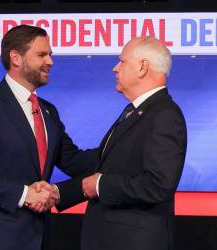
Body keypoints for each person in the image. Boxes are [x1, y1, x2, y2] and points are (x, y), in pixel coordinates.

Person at [0, 25, 97, 250]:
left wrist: (118, 147)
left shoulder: (48, 111)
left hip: (39, 236)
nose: (50, 61)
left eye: (50, 54)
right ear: (16, 58)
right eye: (42, 55)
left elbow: (73, 161)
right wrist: (24, 194)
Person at [56, 36, 187, 250]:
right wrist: (57, 192)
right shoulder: (137, 113)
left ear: (142, 67)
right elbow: (103, 164)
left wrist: (100, 185)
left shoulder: (163, 114)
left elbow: (157, 185)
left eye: (122, 61)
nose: (115, 68)